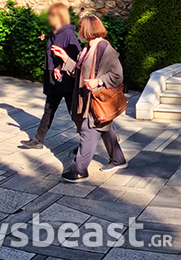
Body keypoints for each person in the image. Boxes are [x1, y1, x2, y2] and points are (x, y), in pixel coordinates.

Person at [55, 14, 128, 182]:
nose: (79, 31)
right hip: (88, 99)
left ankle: (79, 170)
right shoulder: (88, 49)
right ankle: (118, 160)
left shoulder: (103, 48)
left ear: (87, 30)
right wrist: (65, 59)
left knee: (89, 131)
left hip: (95, 100)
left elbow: (118, 75)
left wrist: (99, 81)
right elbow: (79, 74)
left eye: (80, 27)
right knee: (104, 127)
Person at [19, 3, 81, 150]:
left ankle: (87, 142)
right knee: (49, 109)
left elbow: (76, 56)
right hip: (52, 77)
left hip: (65, 79)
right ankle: (38, 139)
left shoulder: (67, 33)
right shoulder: (54, 32)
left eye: (51, 15)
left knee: (74, 113)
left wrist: (60, 66)